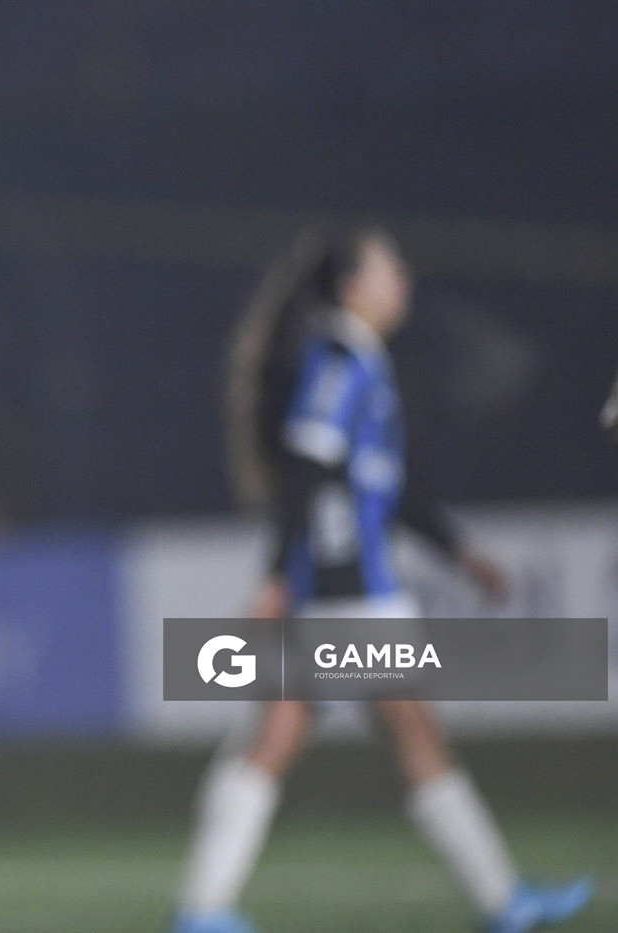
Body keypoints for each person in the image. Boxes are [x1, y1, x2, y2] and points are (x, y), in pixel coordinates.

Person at [170, 228, 593, 933]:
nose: (402, 277)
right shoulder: (339, 361)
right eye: (388, 266)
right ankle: (505, 901)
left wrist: (457, 548)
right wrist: (278, 574)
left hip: (336, 591)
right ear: (352, 287)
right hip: (353, 594)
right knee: (408, 737)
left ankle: (202, 907)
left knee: (279, 735)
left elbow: (380, 485)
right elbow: (305, 466)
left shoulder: (356, 358)